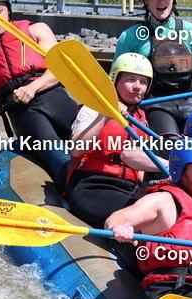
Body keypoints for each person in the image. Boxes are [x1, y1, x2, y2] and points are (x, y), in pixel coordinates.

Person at [0, 0, 76, 190]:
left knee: (96, 145)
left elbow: (60, 70)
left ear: (8, 11)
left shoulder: (37, 30)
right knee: (58, 157)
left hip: (54, 98)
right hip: (22, 112)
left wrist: (33, 87)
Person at [107, 140, 192, 299]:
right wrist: (118, 228)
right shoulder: (163, 200)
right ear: (180, 172)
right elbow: (119, 217)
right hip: (172, 290)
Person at [115, 0, 192, 140]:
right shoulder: (130, 36)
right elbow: (114, 75)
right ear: (146, 1)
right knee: (171, 142)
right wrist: (116, 101)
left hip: (189, 101)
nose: (161, 1)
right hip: (154, 103)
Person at [66, 53, 160, 230]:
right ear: (114, 80)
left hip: (128, 188)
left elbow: (139, 172)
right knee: (142, 218)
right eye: (131, 79)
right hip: (92, 184)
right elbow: (76, 150)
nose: (137, 87)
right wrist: (105, 115)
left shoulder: (141, 118)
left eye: (143, 82)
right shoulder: (92, 108)